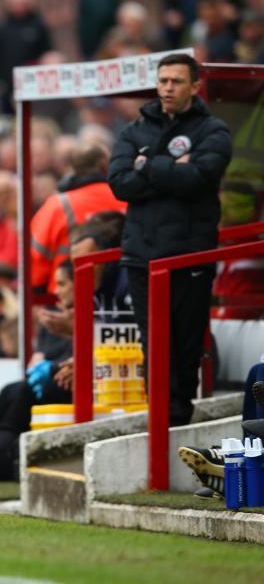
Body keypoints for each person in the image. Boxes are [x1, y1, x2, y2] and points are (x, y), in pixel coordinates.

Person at [107, 53, 232, 426]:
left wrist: (148, 166)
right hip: (143, 257)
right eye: (163, 81)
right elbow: (119, 183)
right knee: (153, 343)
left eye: (176, 81)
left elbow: (200, 177)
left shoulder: (214, 131)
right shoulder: (134, 130)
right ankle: (161, 419)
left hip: (189, 256)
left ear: (194, 87)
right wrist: (172, 169)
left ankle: (178, 418)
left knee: (186, 342)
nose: (167, 88)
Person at [30, 143, 126, 295]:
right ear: (104, 164)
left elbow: (36, 261)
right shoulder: (127, 196)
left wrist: (38, 294)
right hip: (122, 291)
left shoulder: (58, 205)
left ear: (72, 169)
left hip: (69, 295)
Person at [0, 0, 53, 115]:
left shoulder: (38, 24)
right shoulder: (2, 27)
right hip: (8, 82)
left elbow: (48, 51)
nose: (18, 7)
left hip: (32, 81)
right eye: (15, 3)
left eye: (22, 3)